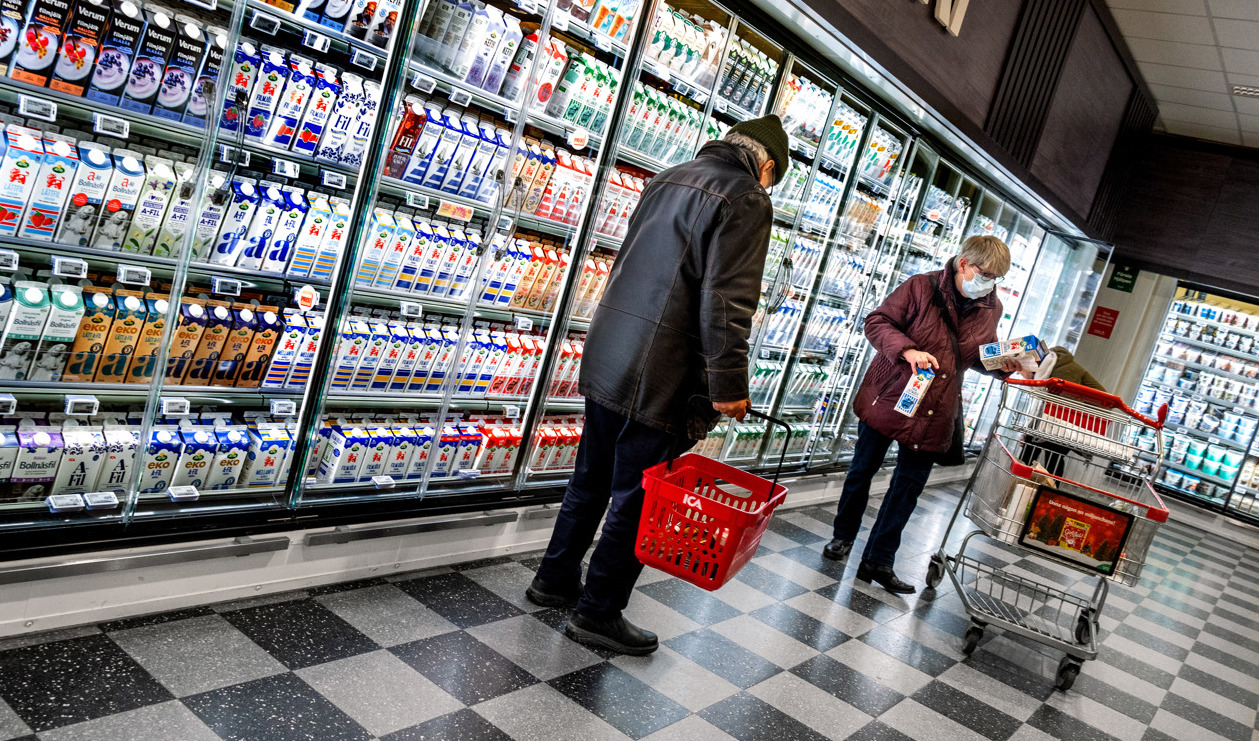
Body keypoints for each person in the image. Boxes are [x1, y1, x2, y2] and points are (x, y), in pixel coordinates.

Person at [525, 116, 790, 655]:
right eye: (772, 180)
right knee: (639, 496)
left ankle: (553, 578)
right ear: (765, 167)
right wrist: (728, 383)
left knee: (591, 477)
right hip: (665, 368)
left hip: (613, 348)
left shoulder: (669, 175)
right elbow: (727, 299)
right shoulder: (747, 197)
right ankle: (598, 612)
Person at [821, 236, 1020, 594]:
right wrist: (908, 351)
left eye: (997, 279)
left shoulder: (991, 307)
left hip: (935, 408)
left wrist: (1002, 365)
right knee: (863, 470)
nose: (990, 284)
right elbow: (877, 322)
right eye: (986, 274)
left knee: (908, 488)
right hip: (891, 394)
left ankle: (879, 560)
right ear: (963, 264)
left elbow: (975, 355)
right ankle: (843, 536)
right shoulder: (920, 286)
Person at [1020, 346, 1106, 478]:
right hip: (1067, 418)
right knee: (1033, 443)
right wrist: (1029, 430)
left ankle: (1039, 487)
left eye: (1019, 368)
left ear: (1031, 365)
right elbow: (1046, 407)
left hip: (1081, 420)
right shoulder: (1051, 370)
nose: (1018, 373)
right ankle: (1022, 483)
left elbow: (1065, 407)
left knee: (1052, 452)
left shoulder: (1063, 372)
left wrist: (1038, 432)